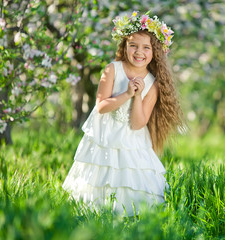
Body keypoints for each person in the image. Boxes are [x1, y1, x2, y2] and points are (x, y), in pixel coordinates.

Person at [62, 11, 183, 216]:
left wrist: (137, 96)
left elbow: (137, 124)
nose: (139, 52)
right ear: (124, 46)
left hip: (132, 140)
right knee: (102, 174)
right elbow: (101, 106)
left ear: (155, 52)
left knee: (130, 177)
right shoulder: (112, 69)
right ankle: (96, 211)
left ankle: (131, 212)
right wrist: (127, 93)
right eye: (133, 45)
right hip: (105, 137)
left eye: (146, 47)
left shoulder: (153, 84)